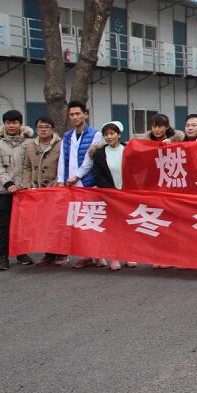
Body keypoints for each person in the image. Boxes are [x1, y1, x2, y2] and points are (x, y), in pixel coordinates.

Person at [0, 109, 34, 271]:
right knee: (5, 224)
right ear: (4, 124)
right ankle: (3, 257)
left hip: (24, 191)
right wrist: (8, 184)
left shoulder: (29, 142)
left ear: (20, 124)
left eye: (15, 122)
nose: (11, 126)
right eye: (8, 123)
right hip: (4, 191)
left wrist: (26, 185)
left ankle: (21, 253)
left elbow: (30, 165)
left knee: (22, 224)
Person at [90, 121, 136, 271]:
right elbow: (98, 176)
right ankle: (114, 256)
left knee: (128, 226)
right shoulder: (99, 153)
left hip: (127, 194)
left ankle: (128, 255)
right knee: (112, 227)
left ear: (119, 135)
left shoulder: (128, 150)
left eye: (112, 133)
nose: (109, 137)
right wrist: (112, 191)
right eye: (106, 134)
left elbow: (135, 171)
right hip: (109, 195)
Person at [22, 116, 66, 267]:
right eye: (40, 127)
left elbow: (64, 165)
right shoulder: (30, 146)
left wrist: (58, 183)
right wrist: (27, 184)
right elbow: (27, 166)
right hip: (36, 190)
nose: (43, 129)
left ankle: (61, 253)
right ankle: (48, 254)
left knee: (57, 222)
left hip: (55, 189)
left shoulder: (61, 144)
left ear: (52, 129)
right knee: (43, 224)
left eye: (46, 127)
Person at [57, 100, 102, 189]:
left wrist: (77, 176)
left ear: (85, 115)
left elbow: (90, 160)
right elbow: (62, 160)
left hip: (87, 182)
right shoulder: (67, 136)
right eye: (72, 114)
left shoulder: (95, 134)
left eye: (77, 114)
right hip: (69, 182)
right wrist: (61, 181)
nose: (75, 117)